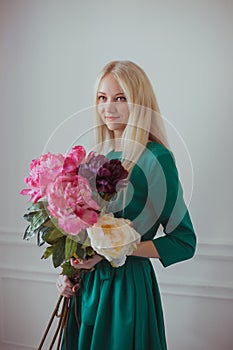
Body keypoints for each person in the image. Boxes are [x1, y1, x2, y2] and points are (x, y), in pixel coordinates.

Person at [56, 60, 196, 350]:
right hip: (88, 290)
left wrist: (117, 248)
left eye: (121, 98)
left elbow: (184, 241)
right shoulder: (96, 156)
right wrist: (68, 274)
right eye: (102, 98)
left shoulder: (156, 158)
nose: (109, 108)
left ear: (139, 102)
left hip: (126, 292)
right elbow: (83, 232)